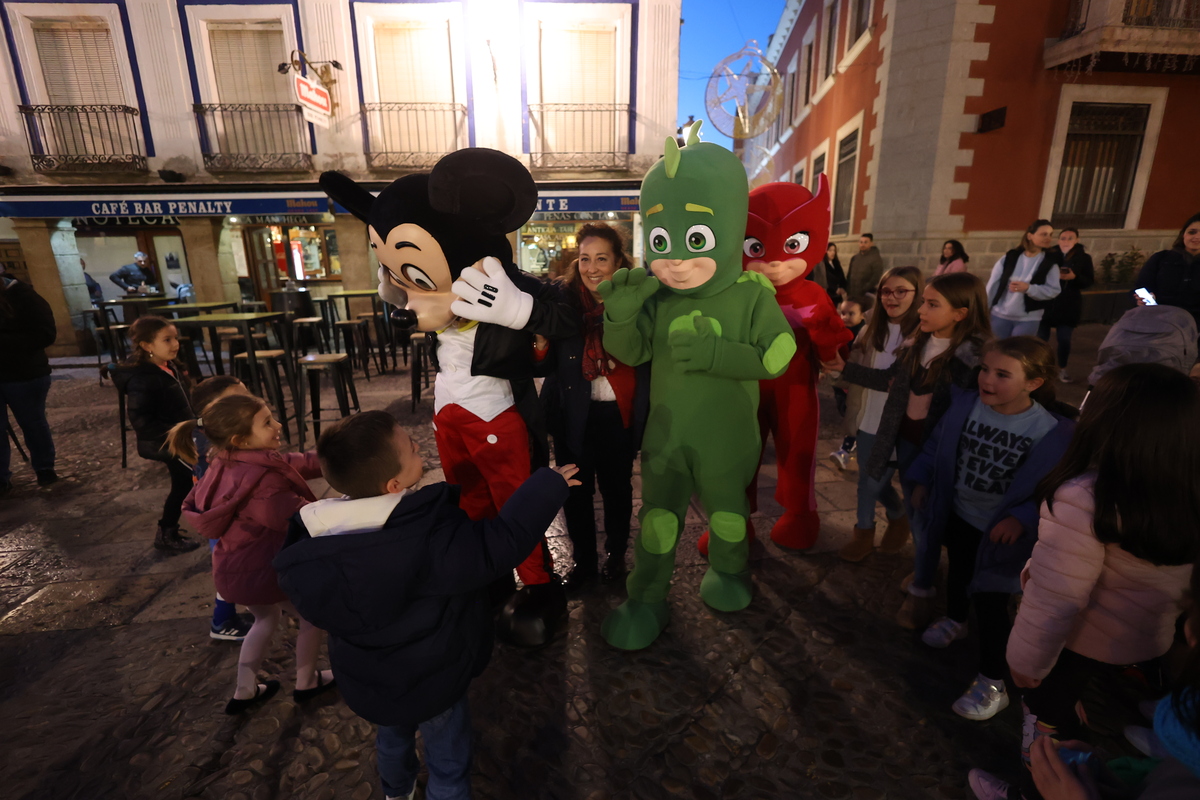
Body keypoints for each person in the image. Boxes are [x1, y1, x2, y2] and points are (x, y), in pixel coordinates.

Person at [273, 411, 579, 800]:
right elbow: (498, 544)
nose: (420, 447)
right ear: (393, 484)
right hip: (435, 678)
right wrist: (546, 487)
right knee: (448, 758)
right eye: (411, 447)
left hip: (372, 682)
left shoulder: (312, 547)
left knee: (391, 740)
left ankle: (396, 793)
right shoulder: (427, 537)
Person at [967, 363, 1200, 800]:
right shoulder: (1186, 490)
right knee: (1073, 707)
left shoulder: (1086, 498)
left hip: (1076, 643)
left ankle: (1030, 792)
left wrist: (1024, 664)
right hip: (1143, 639)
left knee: (1045, 724)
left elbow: (1056, 599)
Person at [906, 337, 1074, 722]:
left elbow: (1055, 488)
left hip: (1001, 536)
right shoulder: (966, 406)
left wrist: (1023, 519)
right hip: (961, 514)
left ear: (1033, 383)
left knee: (993, 603)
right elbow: (936, 447)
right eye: (985, 369)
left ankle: (992, 681)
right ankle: (955, 619)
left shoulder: (1051, 432)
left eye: (1002, 374)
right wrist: (922, 480)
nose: (987, 379)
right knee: (959, 568)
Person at [828, 272, 993, 628]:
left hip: (940, 450)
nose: (921, 310)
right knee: (916, 511)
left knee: (927, 515)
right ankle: (924, 568)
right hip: (903, 439)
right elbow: (890, 381)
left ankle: (923, 588)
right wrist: (847, 370)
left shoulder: (974, 359)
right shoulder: (918, 342)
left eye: (932, 304)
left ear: (961, 313)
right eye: (923, 302)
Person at [175, 393, 335, 715]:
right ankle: (306, 681)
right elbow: (295, 516)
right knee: (311, 616)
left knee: (266, 618)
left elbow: (297, 462)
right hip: (263, 569)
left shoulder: (228, 461)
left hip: (234, 569)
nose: (277, 425)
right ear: (240, 439)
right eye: (266, 422)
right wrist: (340, 510)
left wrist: (335, 458)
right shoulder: (262, 478)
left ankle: (245, 690)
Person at [541, 223, 649, 591]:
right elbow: (544, 364)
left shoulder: (636, 300)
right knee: (576, 493)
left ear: (619, 261)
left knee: (618, 491)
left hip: (618, 414)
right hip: (574, 415)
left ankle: (616, 555)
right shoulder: (564, 301)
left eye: (602, 258)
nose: (592, 267)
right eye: (585, 258)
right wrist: (539, 343)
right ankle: (584, 562)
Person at [834, 268, 923, 561]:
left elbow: (890, 379)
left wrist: (845, 369)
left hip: (899, 420)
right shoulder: (872, 325)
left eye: (901, 291)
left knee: (868, 483)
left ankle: (863, 535)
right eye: (886, 291)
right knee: (872, 478)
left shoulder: (922, 332)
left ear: (916, 293)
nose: (892, 298)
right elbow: (856, 362)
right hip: (867, 413)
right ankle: (898, 515)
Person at [167, 375, 255, 642]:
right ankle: (222, 621)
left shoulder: (208, 433)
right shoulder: (214, 443)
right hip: (224, 520)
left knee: (239, 568)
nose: (248, 402)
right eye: (238, 399)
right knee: (230, 571)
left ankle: (258, 607)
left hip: (225, 517)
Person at [110, 316, 201, 553]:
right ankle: (167, 532)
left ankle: (169, 530)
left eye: (175, 338)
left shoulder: (168, 366)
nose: (175, 344)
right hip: (166, 442)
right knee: (189, 481)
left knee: (186, 482)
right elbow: (142, 421)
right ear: (147, 346)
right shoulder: (143, 378)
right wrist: (178, 432)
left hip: (181, 437)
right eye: (167, 340)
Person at [0, 270, 58, 495]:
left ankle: (44, 468)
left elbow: (45, 334)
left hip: (25, 375)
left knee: (32, 423)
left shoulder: (24, 296)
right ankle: (1, 478)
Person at [985, 220, 1061, 338]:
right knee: (996, 350)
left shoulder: (1049, 263)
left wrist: (1029, 288)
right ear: (1030, 236)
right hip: (1000, 314)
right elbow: (993, 283)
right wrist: (986, 307)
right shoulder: (1010, 258)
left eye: (1050, 235)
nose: (1048, 238)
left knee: (1018, 353)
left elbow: (1053, 290)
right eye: (1043, 234)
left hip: (1029, 318)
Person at [1037, 228, 1094, 384]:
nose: (1066, 241)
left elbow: (1089, 281)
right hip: (1047, 303)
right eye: (1063, 238)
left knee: (1064, 339)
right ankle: (1040, 368)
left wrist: (1074, 277)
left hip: (1069, 305)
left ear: (1076, 240)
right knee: (1041, 339)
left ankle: (1062, 368)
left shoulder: (1083, 258)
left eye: (1070, 238)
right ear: (1058, 240)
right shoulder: (1049, 256)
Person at [1136, 212, 1200, 334]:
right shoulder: (1161, 259)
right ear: (1183, 234)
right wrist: (1141, 299)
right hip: (1158, 324)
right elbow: (1141, 286)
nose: (1196, 237)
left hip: (1195, 330)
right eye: (1192, 232)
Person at [828, 295, 868, 470]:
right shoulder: (838, 332)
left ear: (863, 315)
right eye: (842, 312)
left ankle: (845, 451)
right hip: (841, 383)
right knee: (847, 414)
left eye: (851, 313)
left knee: (855, 420)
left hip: (855, 384)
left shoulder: (864, 335)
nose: (845, 317)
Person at [845, 233, 884, 300]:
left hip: (865, 295)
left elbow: (875, 278)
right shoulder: (855, 258)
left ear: (871, 243)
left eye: (865, 242)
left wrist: (864, 289)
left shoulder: (876, 259)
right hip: (852, 294)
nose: (862, 244)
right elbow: (849, 275)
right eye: (861, 242)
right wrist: (848, 289)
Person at [810, 242, 847, 307]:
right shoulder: (821, 264)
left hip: (836, 296)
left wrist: (842, 287)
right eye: (830, 250)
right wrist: (835, 289)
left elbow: (841, 277)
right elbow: (823, 279)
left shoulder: (836, 264)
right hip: (827, 294)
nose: (832, 252)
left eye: (834, 250)